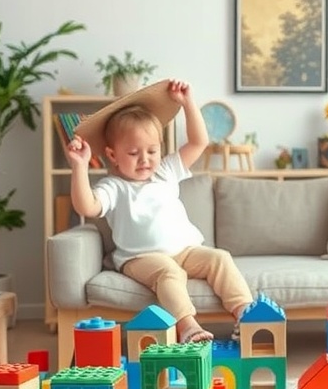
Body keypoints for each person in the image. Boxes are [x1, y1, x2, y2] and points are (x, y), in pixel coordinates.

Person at [65, 79, 253, 343]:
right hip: (140, 258)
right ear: (112, 155)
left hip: (185, 251)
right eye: (133, 153)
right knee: (169, 272)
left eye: (152, 151)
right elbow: (86, 206)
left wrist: (187, 103)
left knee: (219, 258)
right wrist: (80, 167)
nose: (145, 159)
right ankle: (187, 326)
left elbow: (199, 142)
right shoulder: (115, 187)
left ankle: (245, 314)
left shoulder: (165, 172)